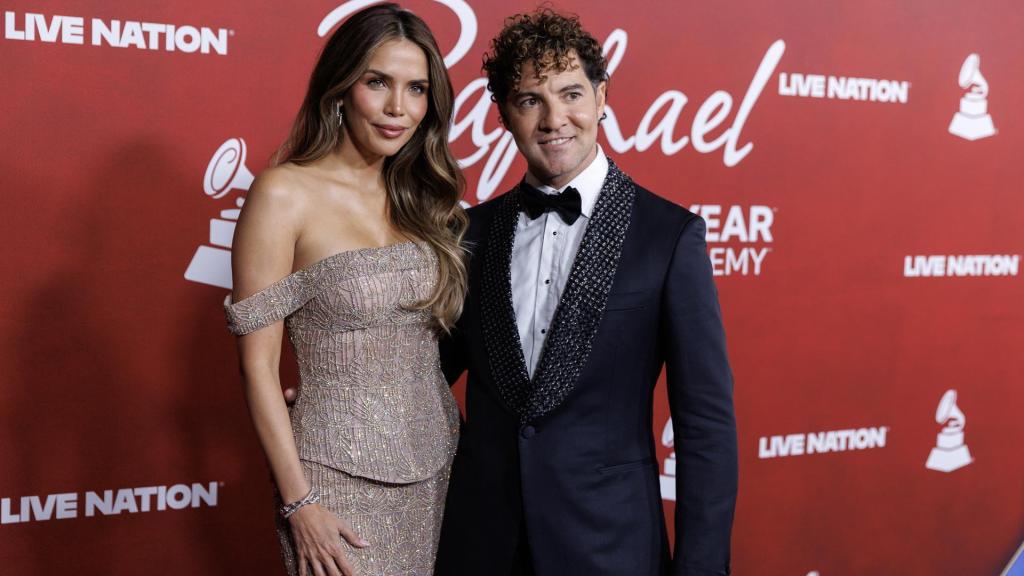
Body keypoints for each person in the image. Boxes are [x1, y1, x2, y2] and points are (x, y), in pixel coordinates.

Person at [435, 8, 737, 576]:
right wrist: (339, 393)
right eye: (530, 100)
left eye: (571, 94)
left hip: (610, 547)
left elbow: (705, 427)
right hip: (481, 547)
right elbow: (424, 372)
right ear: (503, 115)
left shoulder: (668, 237)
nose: (555, 119)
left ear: (602, 97)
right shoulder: (468, 234)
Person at [224, 4, 466, 576]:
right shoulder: (283, 194)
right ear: (340, 87)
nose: (397, 107)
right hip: (332, 481)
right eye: (377, 82)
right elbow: (258, 367)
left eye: (416, 89)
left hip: (440, 464)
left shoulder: (424, 199)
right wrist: (299, 502)